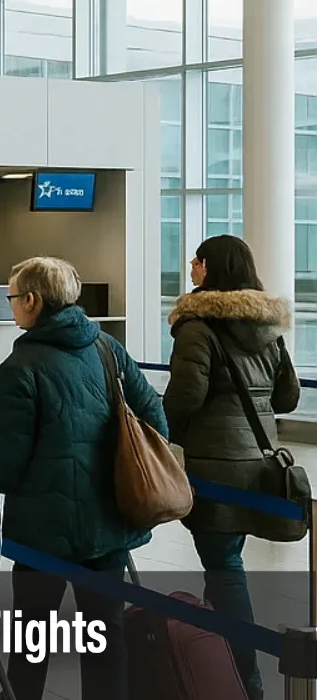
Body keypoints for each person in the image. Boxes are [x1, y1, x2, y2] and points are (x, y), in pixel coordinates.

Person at [0, 257, 167, 700]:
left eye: (12, 298)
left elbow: (7, 466)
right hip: (108, 521)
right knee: (105, 640)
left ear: (32, 300)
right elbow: (155, 418)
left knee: (32, 642)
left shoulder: (19, 368)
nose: (11, 306)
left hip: (42, 531)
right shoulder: (107, 347)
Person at [163, 235, 300, 700]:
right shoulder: (268, 325)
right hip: (260, 461)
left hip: (215, 464)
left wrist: (165, 435)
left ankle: (245, 679)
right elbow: (288, 397)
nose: (191, 268)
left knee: (224, 567)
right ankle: (236, 669)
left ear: (211, 268)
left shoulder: (197, 325)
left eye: (196, 261)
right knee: (229, 565)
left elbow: (186, 396)